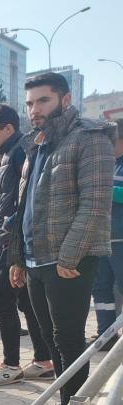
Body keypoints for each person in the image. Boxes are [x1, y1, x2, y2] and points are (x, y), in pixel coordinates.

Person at [7, 72, 116, 405]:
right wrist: (18, 259)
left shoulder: (89, 137)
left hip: (68, 260)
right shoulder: (36, 144)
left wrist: (70, 256)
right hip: (36, 259)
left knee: (69, 338)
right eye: (30, 103)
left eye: (43, 101)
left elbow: (95, 203)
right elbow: (25, 208)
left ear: (65, 100)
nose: (34, 110)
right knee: (52, 339)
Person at [0, 103, 54, 387]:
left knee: (1, 300)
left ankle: (10, 365)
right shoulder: (10, 153)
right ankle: (43, 360)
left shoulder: (20, 152)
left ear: (8, 128)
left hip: (16, 242)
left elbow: (26, 199)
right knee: (26, 301)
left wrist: (11, 232)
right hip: (14, 239)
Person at [90, 120, 123, 349]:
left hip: (120, 239)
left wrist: (104, 189)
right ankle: (106, 334)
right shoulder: (105, 165)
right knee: (100, 288)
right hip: (99, 239)